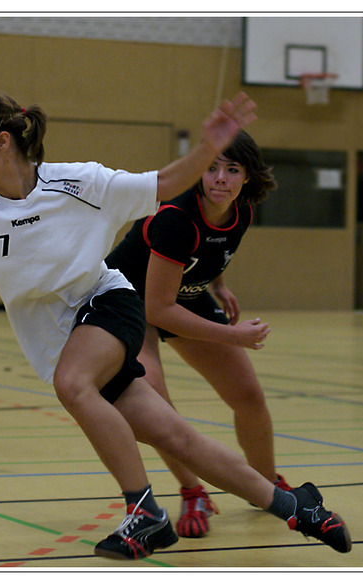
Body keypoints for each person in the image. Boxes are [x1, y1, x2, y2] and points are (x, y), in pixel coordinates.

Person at [0, 91, 351, 559]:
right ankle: (296, 506)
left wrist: (209, 147)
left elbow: (164, 182)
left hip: (108, 304)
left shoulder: (80, 183)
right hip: (57, 337)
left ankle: (145, 513)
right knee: (173, 435)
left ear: (2, 143)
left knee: (73, 385)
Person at [104, 130, 287, 539]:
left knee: (248, 396)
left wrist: (218, 285)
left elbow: (211, 248)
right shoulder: (175, 217)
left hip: (181, 294)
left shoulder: (242, 211)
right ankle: (193, 491)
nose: (220, 178)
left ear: (247, 177)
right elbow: (157, 309)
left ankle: (265, 486)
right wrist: (232, 336)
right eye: (211, 168)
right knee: (158, 407)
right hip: (131, 304)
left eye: (232, 169)